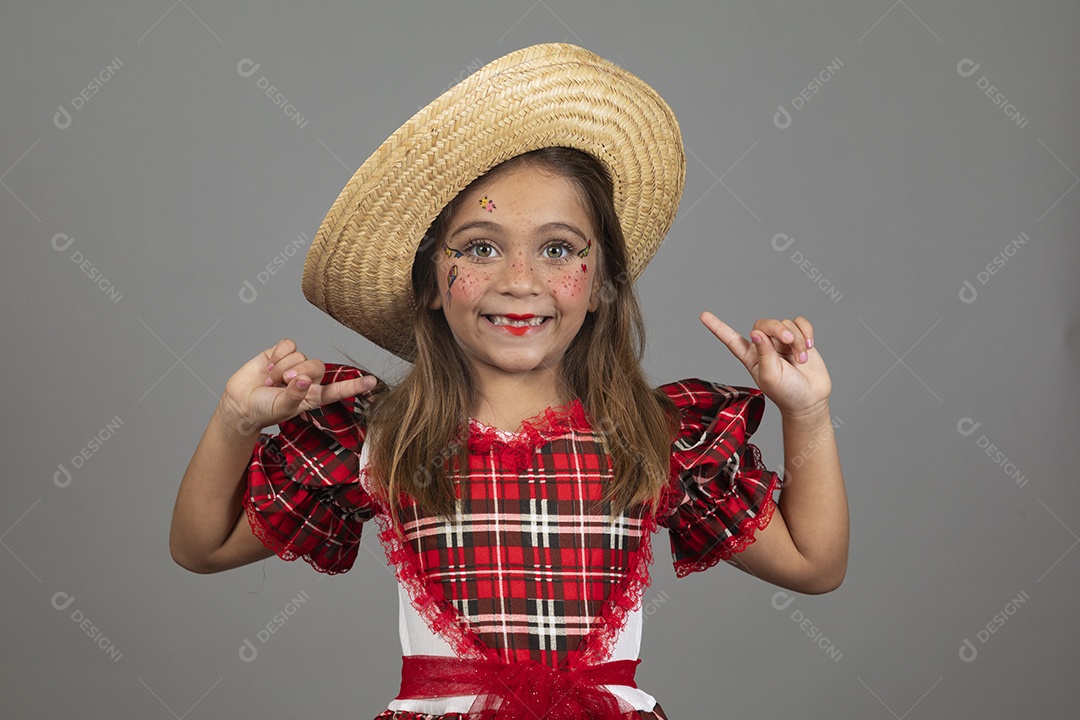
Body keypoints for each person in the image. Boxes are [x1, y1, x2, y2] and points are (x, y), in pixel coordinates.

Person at [170, 43, 847, 719]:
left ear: (603, 282)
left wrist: (806, 412)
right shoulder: (384, 436)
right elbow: (202, 548)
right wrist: (236, 419)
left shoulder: (656, 438)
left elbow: (814, 566)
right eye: (481, 248)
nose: (520, 281)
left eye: (557, 249)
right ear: (433, 282)